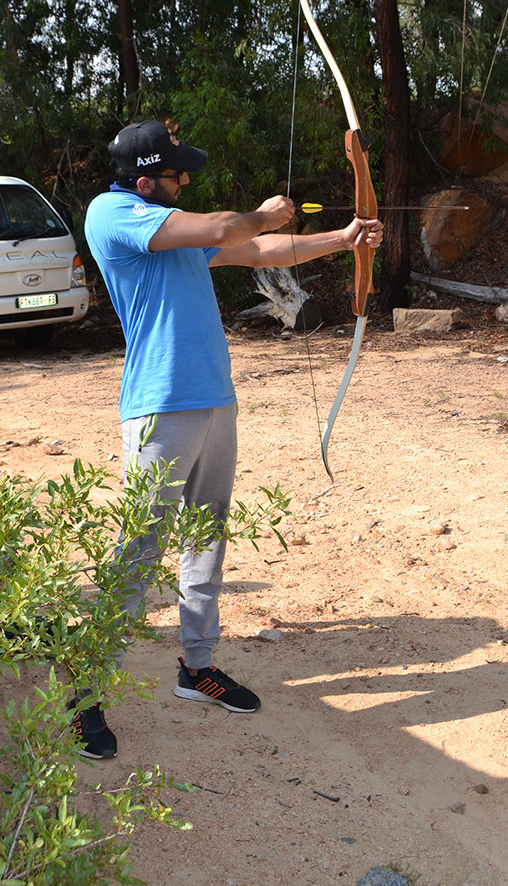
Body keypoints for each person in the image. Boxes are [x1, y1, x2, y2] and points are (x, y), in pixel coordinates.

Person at [80, 120, 382, 759]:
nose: (185, 181)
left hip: (215, 400)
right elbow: (229, 229)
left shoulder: (177, 229)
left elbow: (263, 252)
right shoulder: (114, 214)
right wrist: (263, 214)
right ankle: (85, 694)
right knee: (140, 548)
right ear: (144, 181)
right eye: (176, 174)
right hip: (160, 406)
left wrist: (345, 237)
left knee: (207, 534)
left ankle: (197, 666)